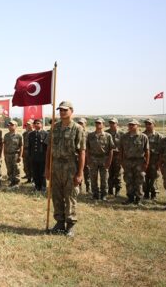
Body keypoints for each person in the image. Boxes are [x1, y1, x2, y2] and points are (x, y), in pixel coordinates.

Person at [48, 101, 85, 236]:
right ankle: (59, 222)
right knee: (56, 195)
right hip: (56, 166)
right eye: (60, 110)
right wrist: (47, 168)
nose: (62, 112)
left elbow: (82, 152)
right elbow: (49, 149)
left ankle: (70, 225)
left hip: (70, 166)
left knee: (70, 196)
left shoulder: (77, 128)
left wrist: (80, 173)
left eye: (65, 110)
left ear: (71, 111)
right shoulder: (55, 128)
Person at [118, 120, 149, 205]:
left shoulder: (143, 137)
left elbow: (147, 151)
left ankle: (139, 199)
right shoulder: (124, 137)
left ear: (138, 125)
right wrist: (121, 161)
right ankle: (130, 198)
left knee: (139, 181)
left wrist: (146, 163)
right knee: (128, 180)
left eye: (133, 125)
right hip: (127, 162)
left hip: (139, 162)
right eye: (130, 125)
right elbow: (121, 150)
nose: (131, 126)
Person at [86, 118, 114, 200]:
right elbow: (87, 148)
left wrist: (109, 161)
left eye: (99, 123)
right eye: (96, 123)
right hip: (93, 159)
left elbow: (111, 149)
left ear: (103, 125)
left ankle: (104, 195)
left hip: (104, 158)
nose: (98, 124)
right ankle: (95, 194)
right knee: (93, 178)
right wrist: (88, 159)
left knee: (104, 178)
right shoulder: (90, 135)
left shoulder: (108, 136)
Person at [26, 119, 49, 194]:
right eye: (35, 123)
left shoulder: (46, 134)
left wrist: (47, 157)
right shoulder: (31, 134)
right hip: (34, 157)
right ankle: (37, 187)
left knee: (42, 173)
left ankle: (43, 187)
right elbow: (29, 146)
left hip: (42, 157)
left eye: (38, 123)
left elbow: (47, 147)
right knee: (35, 173)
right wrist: (30, 156)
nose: (36, 125)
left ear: (41, 124)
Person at [142, 118, 163, 200]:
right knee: (144, 177)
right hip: (144, 160)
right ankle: (146, 193)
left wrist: (160, 162)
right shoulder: (142, 135)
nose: (147, 125)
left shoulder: (159, 136)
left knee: (154, 178)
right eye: (146, 124)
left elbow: (162, 151)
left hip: (155, 160)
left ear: (154, 125)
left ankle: (154, 194)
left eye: (149, 124)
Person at [3, 120, 23, 188]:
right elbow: (4, 145)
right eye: (9, 125)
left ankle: (16, 183)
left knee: (16, 169)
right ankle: (12, 182)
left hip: (15, 155)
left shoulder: (19, 135)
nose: (10, 126)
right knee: (9, 169)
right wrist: (4, 154)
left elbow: (21, 146)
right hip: (8, 154)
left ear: (16, 126)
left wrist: (20, 156)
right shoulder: (6, 135)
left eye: (12, 125)